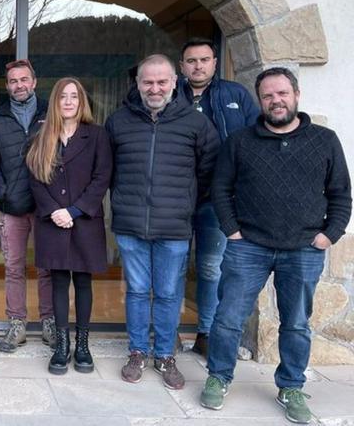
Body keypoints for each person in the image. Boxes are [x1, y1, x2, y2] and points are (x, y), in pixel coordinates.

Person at [199, 67, 351, 424]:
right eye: (267, 96)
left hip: (303, 248)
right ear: (260, 101)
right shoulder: (239, 141)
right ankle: (219, 377)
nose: (275, 100)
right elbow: (221, 190)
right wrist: (232, 229)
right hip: (248, 245)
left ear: (296, 95)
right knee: (228, 318)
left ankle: (291, 386)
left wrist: (330, 234)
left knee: (296, 322)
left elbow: (341, 193)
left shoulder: (324, 140)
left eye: (281, 93)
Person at [105, 54, 219, 390]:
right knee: (138, 292)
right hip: (130, 224)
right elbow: (108, 171)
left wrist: (185, 205)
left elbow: (210, 171)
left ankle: (165, 355)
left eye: (161, 82)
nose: (154, 88)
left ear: (174, 82)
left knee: (169, 294)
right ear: (138, 83)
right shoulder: (119, 121)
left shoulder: (196, 123)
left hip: (174, 227)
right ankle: (138, 351)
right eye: (147, 82)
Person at [178, 38, 259, 356]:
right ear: (182, 65)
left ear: (214, 62)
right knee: (175, 267)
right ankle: (169, 333)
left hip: (219, 198)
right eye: (191, 60)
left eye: (204, 59)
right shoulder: (172, 96)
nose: (198, 65)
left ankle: (205, 334)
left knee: (212, 268)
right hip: (178, 197)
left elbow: (255, 139)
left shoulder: (235, 95)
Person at [26, 78, 112, 374]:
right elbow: (35, 178)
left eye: (74, 96)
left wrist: (74, 211)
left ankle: (83, 345)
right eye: (63, 96)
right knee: (59, 282)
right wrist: (54, 211)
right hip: (52, 222)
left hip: (84, 220)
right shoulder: (42, 135)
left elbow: (102, 178)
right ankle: (62, 346)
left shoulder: (97, 135)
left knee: (84, 282)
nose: (68, 101)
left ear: (81, 102)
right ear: (55, 101)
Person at [0, 59, 56, 353]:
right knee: (13, 267)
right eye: (13, 81)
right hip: (13, 207)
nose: (19, 85)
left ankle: (49, 321)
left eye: (24, 79)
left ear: (34, 82)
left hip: (47, 206)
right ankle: (16, 324)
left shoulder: (52, 114)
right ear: (7, 85)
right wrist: (3, 191)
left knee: (47, 267)